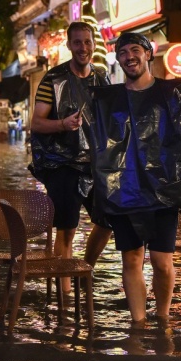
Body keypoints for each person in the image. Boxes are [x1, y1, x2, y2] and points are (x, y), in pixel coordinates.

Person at [87, 33, 181, 324]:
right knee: (131, 259)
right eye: (123, 52)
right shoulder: (109, 101)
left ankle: (164, 318)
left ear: (148, 54)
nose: (129, 56)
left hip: (162, 191)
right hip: (124, 191)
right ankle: (138, 324)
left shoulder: (171, 94)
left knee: (161, 261)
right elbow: (97, 144)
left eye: (135, 50)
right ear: (117, 59)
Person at [29, 21, 113, 294]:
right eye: (77, 42)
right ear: (69, 46)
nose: (83, 48)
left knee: (107, 220)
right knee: (66, 229)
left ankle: (83, 270)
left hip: (97, 165)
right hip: (62, 164)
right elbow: (37, 124)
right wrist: (63, 124)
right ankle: (65, 295)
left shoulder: (103, 79)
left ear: (94, 45)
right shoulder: (53, 79)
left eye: (87, 42)